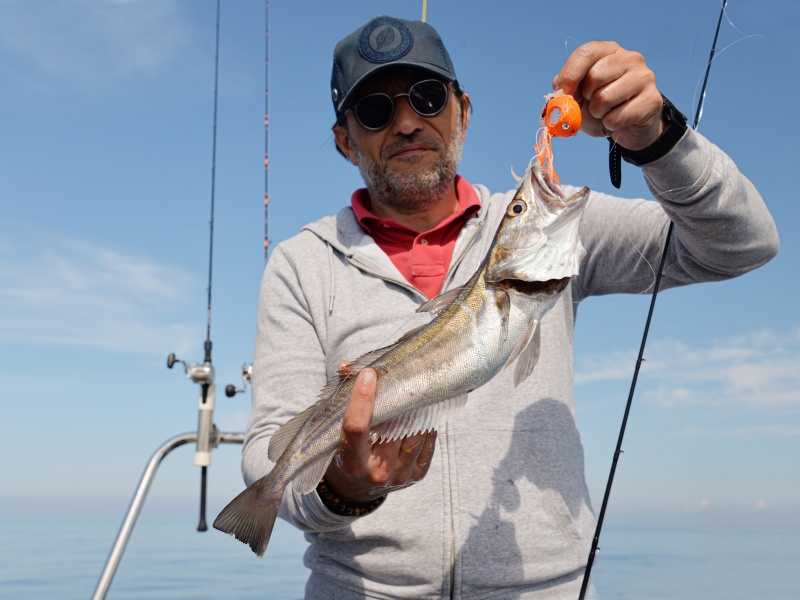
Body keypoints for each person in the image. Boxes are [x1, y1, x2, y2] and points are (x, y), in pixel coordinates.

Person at [242, 15, 779, 599]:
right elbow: (268, 447)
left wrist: (657, 138)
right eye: (374, 110)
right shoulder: (301, 263)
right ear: (346, 140)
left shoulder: (563, 232)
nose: (405, 122)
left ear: (463, 111)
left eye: (427, 97)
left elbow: (743, 243)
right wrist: (342, 489)